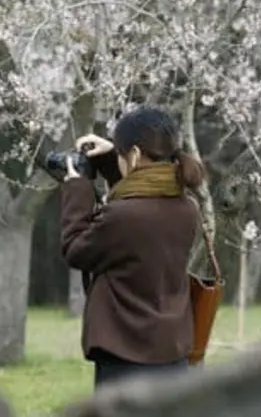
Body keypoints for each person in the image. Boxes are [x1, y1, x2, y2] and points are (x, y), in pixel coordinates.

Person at [59, 106, 207, 389]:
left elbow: (75, 248)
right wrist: (111, 159)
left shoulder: (123, 216)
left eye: (121, 154)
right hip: (171, 350)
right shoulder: (187, 208)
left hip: (125, 351)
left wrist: (77, 189)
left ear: (136, 154)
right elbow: (139, 202)